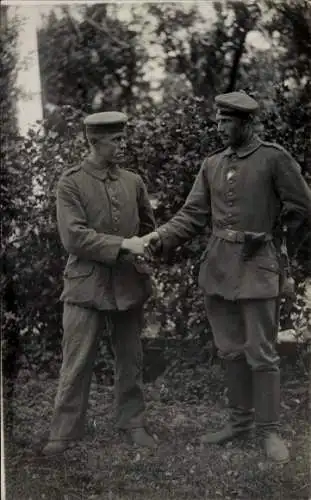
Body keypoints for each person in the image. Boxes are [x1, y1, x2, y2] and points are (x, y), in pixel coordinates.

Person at [143, 91, 311, 463]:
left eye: (227, 122)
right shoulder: (212, 164)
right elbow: (191, 215)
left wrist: (277, 244)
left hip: (258, 266)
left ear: (247, 123)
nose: (220, 128)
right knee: (230, 350)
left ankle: (269, 431)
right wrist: (159, 236)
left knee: (262, 353)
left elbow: (302, 208)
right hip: (219, 268)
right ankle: (239, 423)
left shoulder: (273, 158)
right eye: (218, 120)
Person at [43, 111, 157, 455]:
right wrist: (123, 245)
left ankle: (133, 421)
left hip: (127, 284)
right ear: (95, 141)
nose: (123, 144)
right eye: (116, 139)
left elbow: (147, 227)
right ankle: (64, 431)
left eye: (123, 137)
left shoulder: (133, 181)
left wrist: (150, 244)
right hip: (85, 285)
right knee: (76, 360)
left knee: (131, 358)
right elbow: (74, 238)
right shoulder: (71, 183)